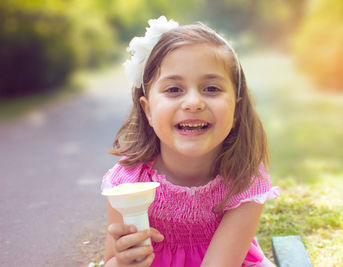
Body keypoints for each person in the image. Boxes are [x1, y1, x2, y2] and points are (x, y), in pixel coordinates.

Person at [101, 16, 280, 267]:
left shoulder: (243, 181)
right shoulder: (127, 181)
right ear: (148, 110)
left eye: (211, 89)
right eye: (174, 89)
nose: (193, 102)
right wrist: (123, 262)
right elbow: (110, 260)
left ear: (236, 110)